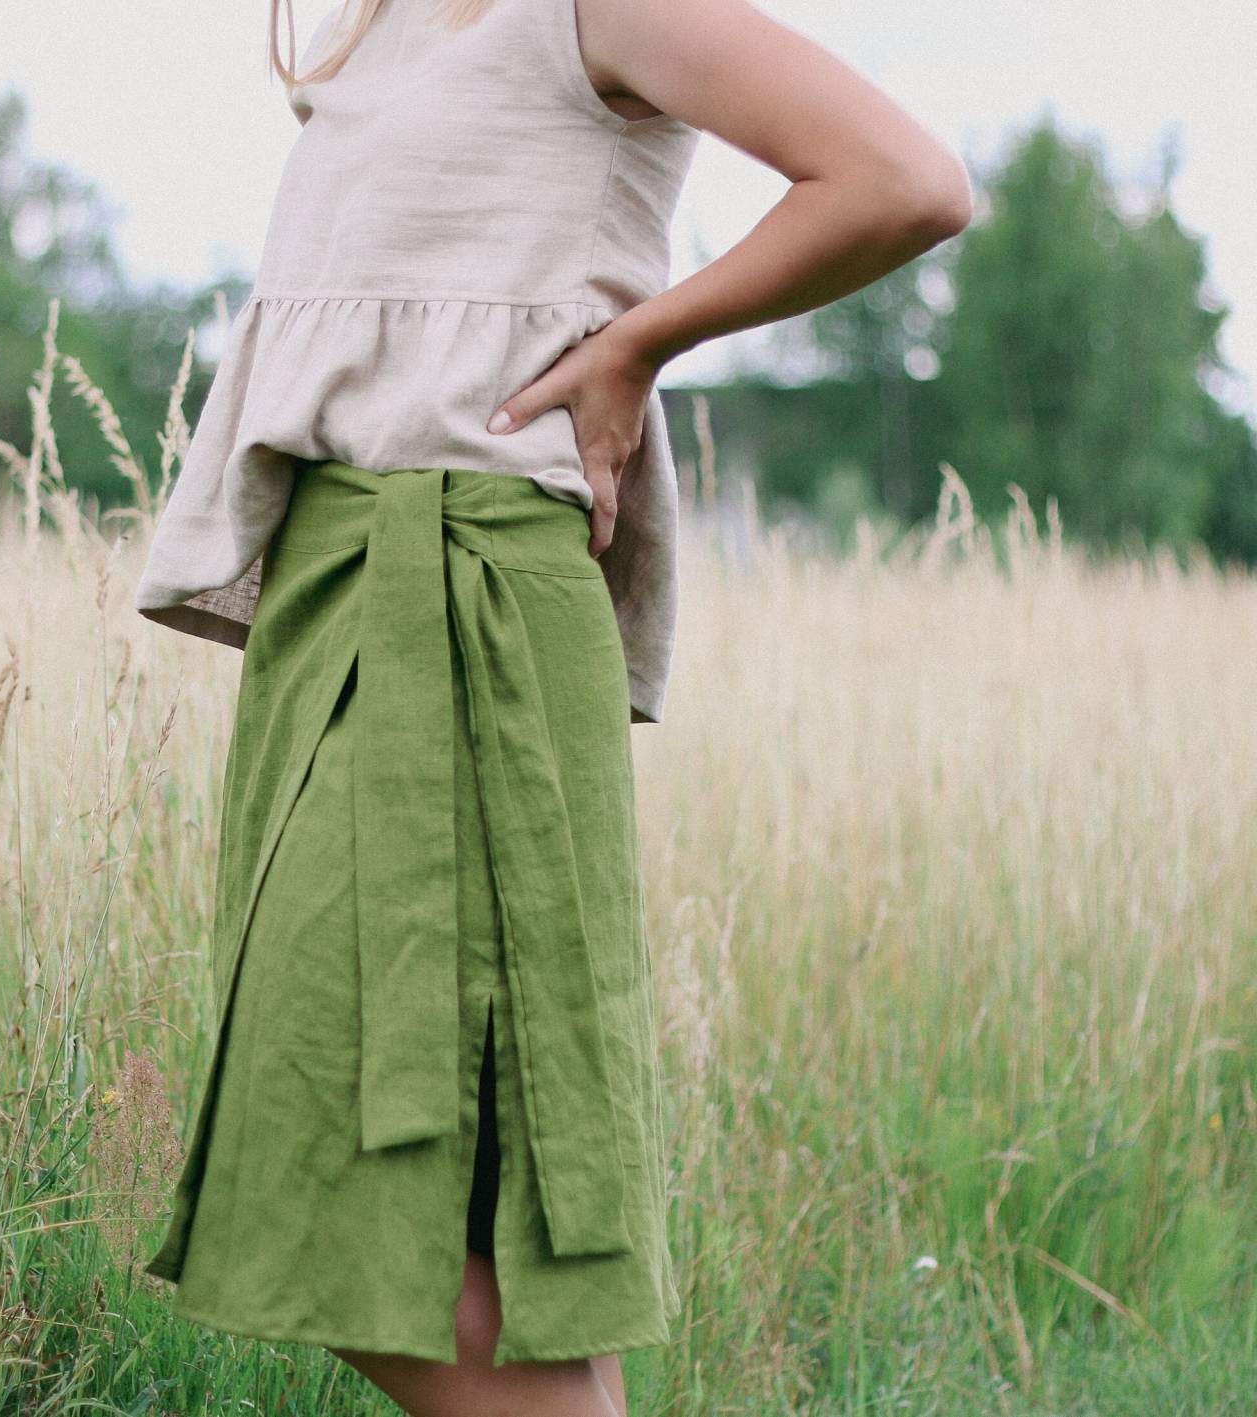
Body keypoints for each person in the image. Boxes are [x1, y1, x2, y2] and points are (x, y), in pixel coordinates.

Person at [131, 0, 971, 1412]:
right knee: (469, 1220)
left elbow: (907, 180)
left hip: (470, 603)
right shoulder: (375, 30)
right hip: (339, 595)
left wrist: (640, 343)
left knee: (325, 1174)